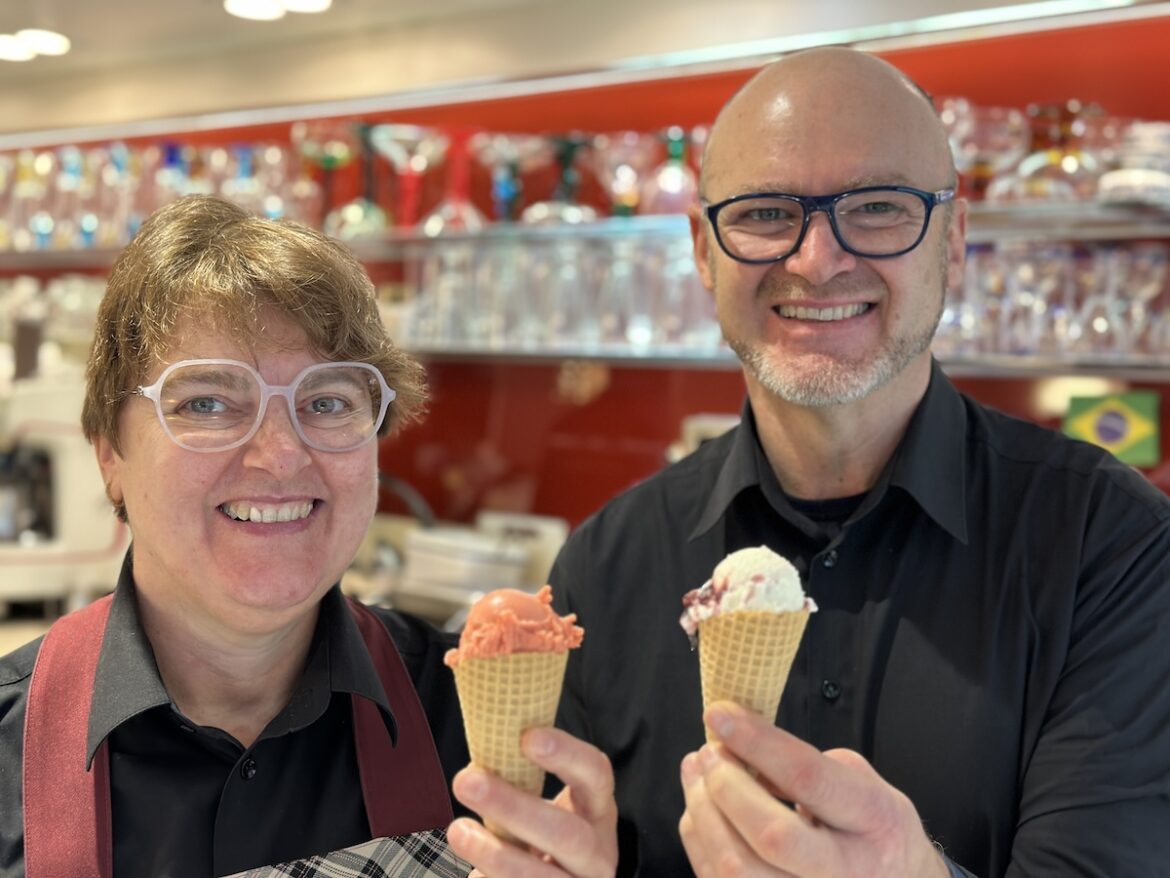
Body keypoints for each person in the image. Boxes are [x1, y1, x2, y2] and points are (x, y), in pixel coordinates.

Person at [548, 46, 1170, 877]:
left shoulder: (1113, 546)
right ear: (703, 253)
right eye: (766, 213)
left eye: (878, 206)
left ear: (953, 242)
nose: (816, 259)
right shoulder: (603, 565)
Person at [0, 194, 618, 878]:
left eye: (326, 403)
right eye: (208, 402)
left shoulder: (498, 733)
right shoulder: (8, 747)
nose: (282, 455)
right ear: (109, 454)